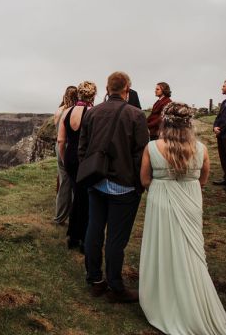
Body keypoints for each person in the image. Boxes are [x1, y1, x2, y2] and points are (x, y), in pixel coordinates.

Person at [139, 102, 226, 335]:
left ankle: (162, 296)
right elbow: (203, 180)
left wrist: (162, 187)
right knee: (192, 251)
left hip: (161, 199)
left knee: (163, 247)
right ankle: (191, 294)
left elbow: (144, 180)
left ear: (165, 122)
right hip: (191, 199)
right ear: (189, 123)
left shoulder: (152, 147)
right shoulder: (202, 148)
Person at [79, 71, 148, 302]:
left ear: (107, 89)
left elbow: (83, 147)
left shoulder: (93, 112)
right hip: (124, 186)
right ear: (127, 89)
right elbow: (141, 153)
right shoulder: (136, 115)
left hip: (96, 182)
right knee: (116, 240)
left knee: (94, 231)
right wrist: (139, 185)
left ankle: (95, 280)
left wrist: (87, 173)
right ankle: (116, 287)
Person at [57, 81, 97, 252]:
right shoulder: (93, 112)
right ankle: (82, 239)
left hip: (71, 157)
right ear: (93, 95)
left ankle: (72, 236)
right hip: (86, 159)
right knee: (85, 199)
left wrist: (65, 159)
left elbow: (61, 141)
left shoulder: (67, 111)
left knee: (77, 195)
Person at [53, 86, 78, 224]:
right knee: (75, 182)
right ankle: (74, 217)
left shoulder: (59, 111)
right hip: (70, 147)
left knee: (63, 183)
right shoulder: (75, 112)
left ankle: (59, 216)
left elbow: (57, 134)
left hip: (59, 146)